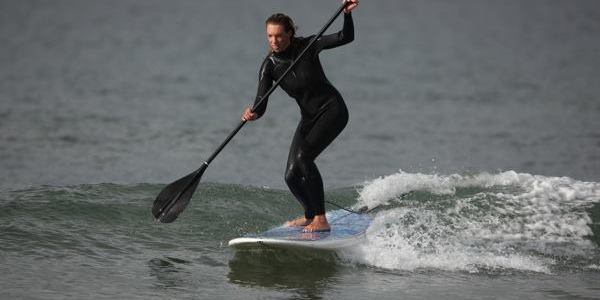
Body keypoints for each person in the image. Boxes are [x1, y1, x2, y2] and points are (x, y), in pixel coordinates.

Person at [242, 0, 359, 233]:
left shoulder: (308, 46)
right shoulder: (269, 66)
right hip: (309, 118)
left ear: (290, 33)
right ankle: (309, 215)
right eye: (269, 36)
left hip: (333, 111)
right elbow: (261, 104)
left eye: (278, 36)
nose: (274, 41)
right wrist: (252, 113)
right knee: (291, 175)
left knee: (304, 159)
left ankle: (321, 219)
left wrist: (346, 15)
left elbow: (345, 37)